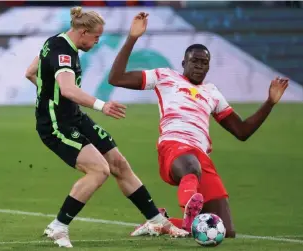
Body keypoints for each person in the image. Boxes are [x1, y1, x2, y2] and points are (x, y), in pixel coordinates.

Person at [108, 12, 289, 237]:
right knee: (191, 167)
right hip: (174, 147)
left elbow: (242, 132)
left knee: (225, 230)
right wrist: (133, 38)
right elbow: (116, 78)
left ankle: (161, 223)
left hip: (201, 157)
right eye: (195, 61)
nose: (199, 67)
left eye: (204, 63)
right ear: (184, 62)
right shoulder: (165, 77)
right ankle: (189, 212)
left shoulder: (212, 93)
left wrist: (270, 103)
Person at [25, 7, 189, 248]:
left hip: (74, 116)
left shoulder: (56, 42)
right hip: (55, 124)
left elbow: (30, 72)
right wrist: (102, 106)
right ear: (82, 32)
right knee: (99, 170)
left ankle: (157, 220)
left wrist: (47, 90)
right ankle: (58, 227)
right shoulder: (64, 54)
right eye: (96, 37)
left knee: (118, 163)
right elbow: (69, 90)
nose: (98, 42)